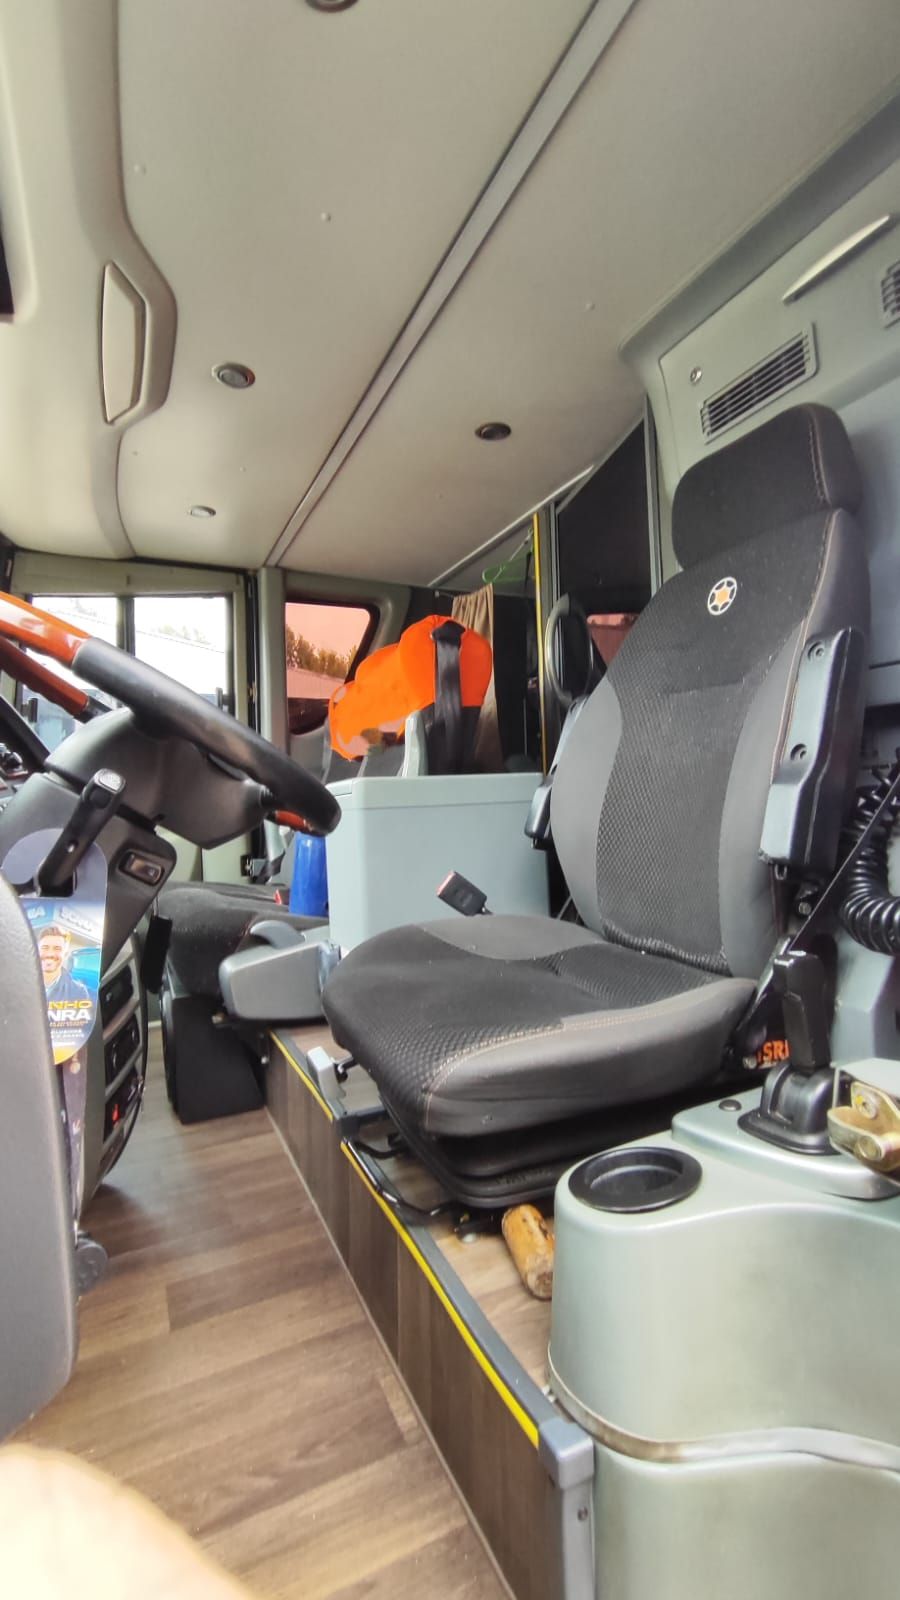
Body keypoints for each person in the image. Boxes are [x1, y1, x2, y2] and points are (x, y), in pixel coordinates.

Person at [36, 925, 93, 1024]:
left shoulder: (79, 991)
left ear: (65, 954)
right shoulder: (19, 987)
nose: (50, 954)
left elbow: (82, 1027)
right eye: (45, 948)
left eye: (57, 949)